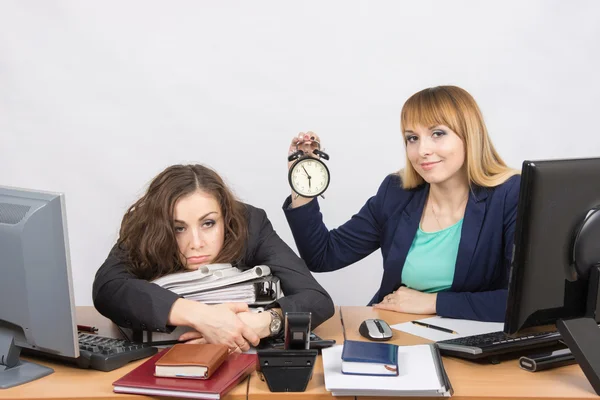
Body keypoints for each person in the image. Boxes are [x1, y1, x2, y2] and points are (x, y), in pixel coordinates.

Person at [283, 86, 520, 322]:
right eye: (412, 138)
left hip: (472, 341)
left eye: (438, 133)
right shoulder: (396, 192)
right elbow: (323, 255)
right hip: (395, 331)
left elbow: (522, 302)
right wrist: (304, 183)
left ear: (470, 136)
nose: (422, 150)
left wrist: (434, 303)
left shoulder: (510, 195)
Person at [93, 164, 334, 353]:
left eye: (208, 223)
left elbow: (317, 298)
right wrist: (203, 317)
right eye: (178, 228)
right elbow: (107, 287)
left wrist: (259, 324)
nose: (196, 243)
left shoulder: (250, 223)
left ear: (226, 218)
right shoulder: (147, 226)